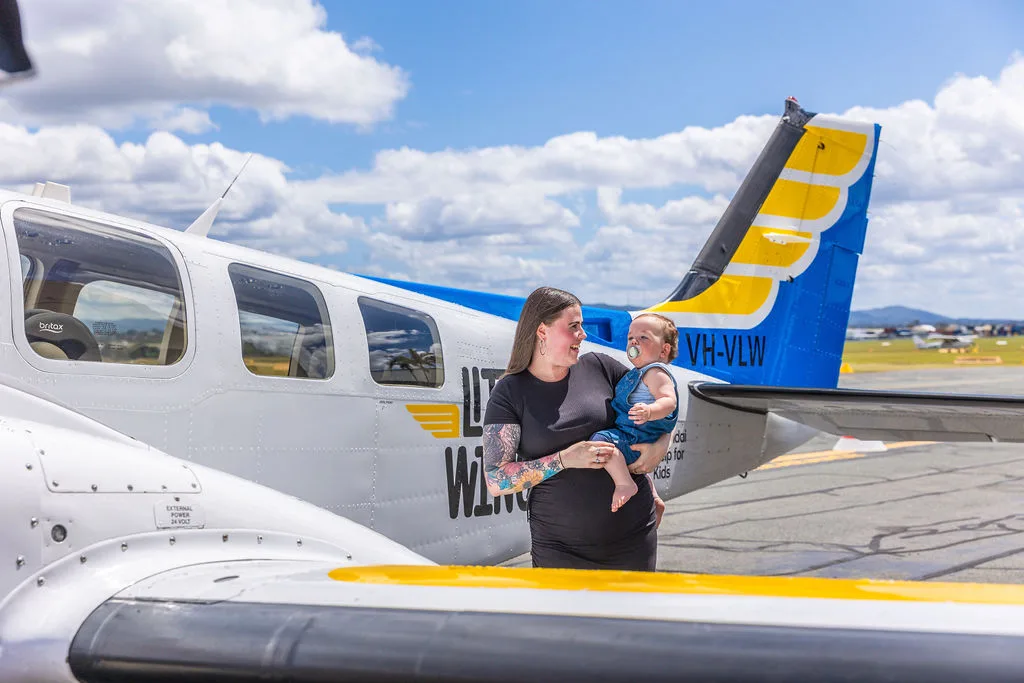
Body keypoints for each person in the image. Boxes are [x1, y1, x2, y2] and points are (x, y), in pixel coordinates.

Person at [482, 286, 671, 571]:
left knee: (633, 616)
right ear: (542, 331)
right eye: (574, 327)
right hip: (560, 548)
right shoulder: (510, 392)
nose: (583, 335)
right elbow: (496, 480)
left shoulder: (600, 367)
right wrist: (564, 459)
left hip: (632, 535)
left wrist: (661, 446)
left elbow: (660, 406)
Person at [591, 313, 679, 516]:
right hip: (635, 434)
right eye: (631, 337)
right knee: (629, 462)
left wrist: (650, 411)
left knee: (601, 442)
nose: (634, 341)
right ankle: (653, 498)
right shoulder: (637, 373)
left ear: (664, 350)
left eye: (644, 337)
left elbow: (669, 401)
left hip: (637, 435)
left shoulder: (656, 372)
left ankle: (624, 484)